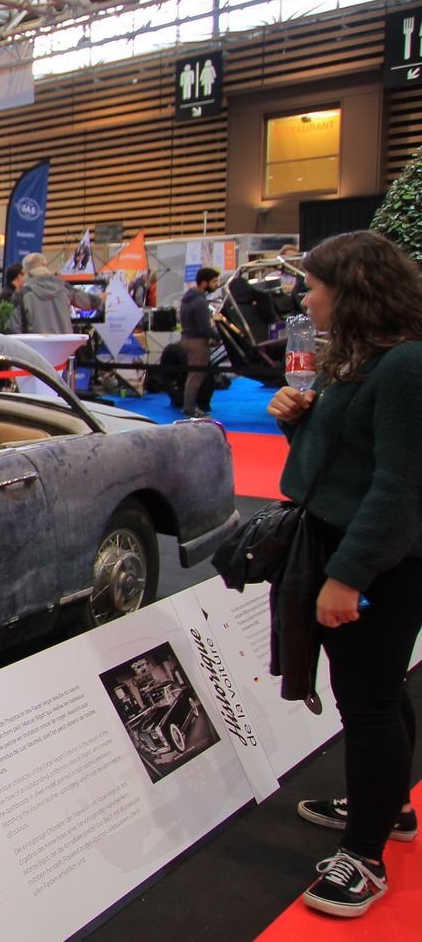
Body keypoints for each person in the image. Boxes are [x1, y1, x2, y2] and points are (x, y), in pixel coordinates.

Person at [265, 231, 422, 919]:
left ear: (351, 289)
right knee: (377, 689)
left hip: (381, 561)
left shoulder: (406, 365)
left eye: (313, 286)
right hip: (345, 544)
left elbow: (398, 487)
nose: (306, 299)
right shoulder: (359, 359)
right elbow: (344, 461)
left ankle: (364, 856)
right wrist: (297, 421)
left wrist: (348, 576)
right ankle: (385, 808)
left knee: (369, 702)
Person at [14, 252, 102, 334]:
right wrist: (101, 298)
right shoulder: (64, 286)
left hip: (36, 345)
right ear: (44, 265)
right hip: (64, 344)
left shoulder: (21, 294)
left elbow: (13, 328)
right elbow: (89, 303)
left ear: (24, 271)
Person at [179, 267, 220, 419]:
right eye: (214, 281)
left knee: (192, 377)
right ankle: (189, 409)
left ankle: (189, 407)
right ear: (204, 282)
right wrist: (218, 336)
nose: (216, 284)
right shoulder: (200, 302)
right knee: (195, 378)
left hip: (186, 339)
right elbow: (205, 328)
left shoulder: (187, 298)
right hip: (198, 343)